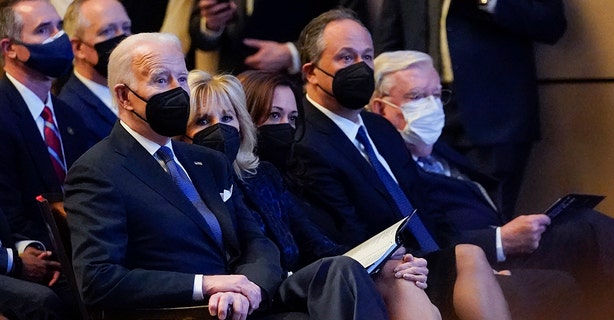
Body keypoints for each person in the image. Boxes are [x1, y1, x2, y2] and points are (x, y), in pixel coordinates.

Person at [64, 32, 390, 319]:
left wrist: (248, 288)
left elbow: (256, 241)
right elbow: (98, 280)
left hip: (243, 303)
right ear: (123, 96)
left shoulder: (206, 161)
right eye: (162, 80)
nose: (178, 91)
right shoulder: (98, 170)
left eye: (181, 78)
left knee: (342, 271)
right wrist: (206, 286)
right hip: (187, 312)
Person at [288, 8, 582, 320]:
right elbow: (344, 233)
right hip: (381, 268)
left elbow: (426, 209)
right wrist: (404, 261)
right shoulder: (306, 142)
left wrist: (480, 262)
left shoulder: (380, 129)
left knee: (470, 254)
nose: (361, 68)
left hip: (425, 257)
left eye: (368, 56)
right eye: (346, 58)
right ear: (311, 72)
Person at [369, 49, 614, 319]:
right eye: (417, 97)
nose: (431, 106)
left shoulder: (437, 148)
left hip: (501, 241)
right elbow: (427, 234)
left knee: (584, 225)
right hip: (472, 260)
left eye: (436, 95)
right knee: (586, 236)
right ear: (380, 108)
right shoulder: (387, 167)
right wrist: (500, 240)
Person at [183, 69, 442, 319]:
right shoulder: (184, 186)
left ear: (241, 124)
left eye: (227, 118)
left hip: (296, 282)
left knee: (397, 271)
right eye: (203, 121)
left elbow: (317, 245)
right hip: (252, 291)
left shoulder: (263, 176)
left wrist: (389, 256)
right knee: (346, 271)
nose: (220, 129)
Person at [374, 0, 567, 217]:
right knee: (428, 215)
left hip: (496, 115)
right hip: (419, 111)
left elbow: (551, 24)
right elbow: (388, 44)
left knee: (489, 218)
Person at [0, 0, 93, 251]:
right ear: (10, 48)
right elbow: (3, 205)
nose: (59, 37)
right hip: (34, 259)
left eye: (59, 26)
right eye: (43, 30)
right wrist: (31, 249)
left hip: (83, 252)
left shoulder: (70, 116)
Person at [0, 180, 71, 320]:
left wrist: (26, 248)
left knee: (68, 282)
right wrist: (15, 262)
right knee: (43, 301)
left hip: (4, 262)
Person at [189, 0, 337, 74]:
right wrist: (212, 24)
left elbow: (346, 22)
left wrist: (292, 53)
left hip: (292, 90)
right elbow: (198, 34)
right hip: (234, 85)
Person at [58, 0, 131, 145]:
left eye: (126, 27)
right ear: (78, 48)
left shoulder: (139, 90)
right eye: (107, 31)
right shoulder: (69, 112)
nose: (122, 38)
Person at [236, 70, 300, 175]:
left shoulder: (295, 173)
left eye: (292, 118)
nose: (286, 124)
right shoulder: (229, 182)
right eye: (274, 115)